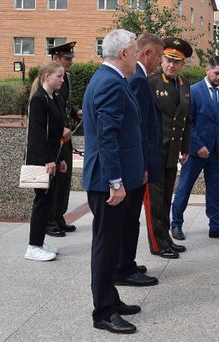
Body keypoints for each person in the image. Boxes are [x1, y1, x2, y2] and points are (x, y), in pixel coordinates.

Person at [81, 29, 146, 334]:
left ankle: (111, 297)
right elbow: (107, 137)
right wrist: (116, 182)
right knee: (106, 246)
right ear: (123, 54)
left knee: (111, 241)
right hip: (107, 182)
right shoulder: (109, 83)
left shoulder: (109, 79)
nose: (137, 56)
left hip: (114, 177)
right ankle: (103, 312)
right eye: (135, 51)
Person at [117, 33, 172, 289]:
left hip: (139, 162)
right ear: (147, 53)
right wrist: (144, 166)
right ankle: (124, 268)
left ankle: (127, 263)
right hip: (138, 163)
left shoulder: (138, 78)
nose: (160, 61)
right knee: (128, 219)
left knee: (130, 218)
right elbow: (138, 130)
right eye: (159, 56)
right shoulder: (138, 81)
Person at [171, 56, 219, 239]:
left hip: (217, 152)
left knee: (214, 190)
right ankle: (176, 224)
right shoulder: (193, 91)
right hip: (195, 152)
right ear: (207, 70)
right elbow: (187, 122)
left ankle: (215, 226)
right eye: (216, 73)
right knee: (184, 188)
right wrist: (197, 145)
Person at [24, 61, 71, 262]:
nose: (62, 79)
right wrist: (49, 160)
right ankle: (33, 247)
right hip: (42, 161)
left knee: (47, 201)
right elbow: (37, 134)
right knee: (41, 203)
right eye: (58, 76)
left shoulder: (52, 98)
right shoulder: (39, 100)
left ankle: (39, 242)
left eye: (62, 76)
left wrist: (59, 159)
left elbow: (54, 134)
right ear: (46, 77)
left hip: (51, 159)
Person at [149, 37, 192, 246]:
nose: (172, 65)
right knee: (155, 201)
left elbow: (186, 119)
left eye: (177, 62)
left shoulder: (184, 84)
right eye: (168, 60)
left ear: (183, 64)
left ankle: (166, 238)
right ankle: (158, 243)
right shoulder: (151, 82)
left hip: (172, 151)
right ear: (161, 60)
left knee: (166, 198)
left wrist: (185, 147)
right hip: (156, 151)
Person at [45, 41, 80, 237]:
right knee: (54, 180)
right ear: (55, 58)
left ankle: (59, 216)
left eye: (70, 59)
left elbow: (66, 104)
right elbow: (48, 110)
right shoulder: (47, 78)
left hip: (65, 137)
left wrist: (76, 112)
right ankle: (48, 221)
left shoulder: (67, 77)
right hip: (54, 137)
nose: (70, 62)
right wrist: (60, 127)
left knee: (64, 179)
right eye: (66, 59)